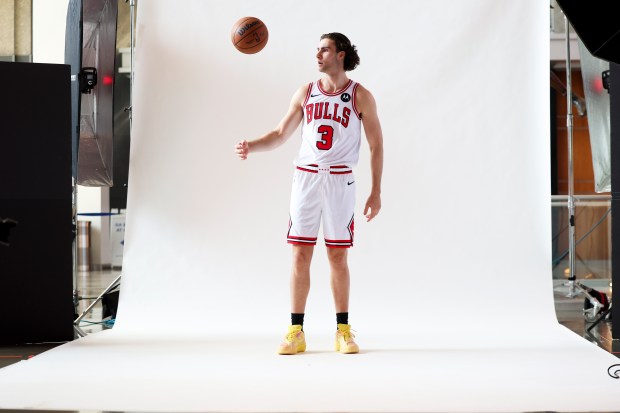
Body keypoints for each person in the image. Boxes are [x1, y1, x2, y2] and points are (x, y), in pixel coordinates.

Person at [234, 32, 383, 355]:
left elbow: (376, 145)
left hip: (340, 181)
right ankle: (295, 331)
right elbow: (279, 134)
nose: (318, 55)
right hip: (306, 180)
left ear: (341, 54)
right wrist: (252, 147)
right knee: (300, 254)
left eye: (325, 50)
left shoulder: (360, 96)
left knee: (337, 255)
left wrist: (376, 191)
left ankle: (343, 330)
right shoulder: (306, 92)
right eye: (316, 49)